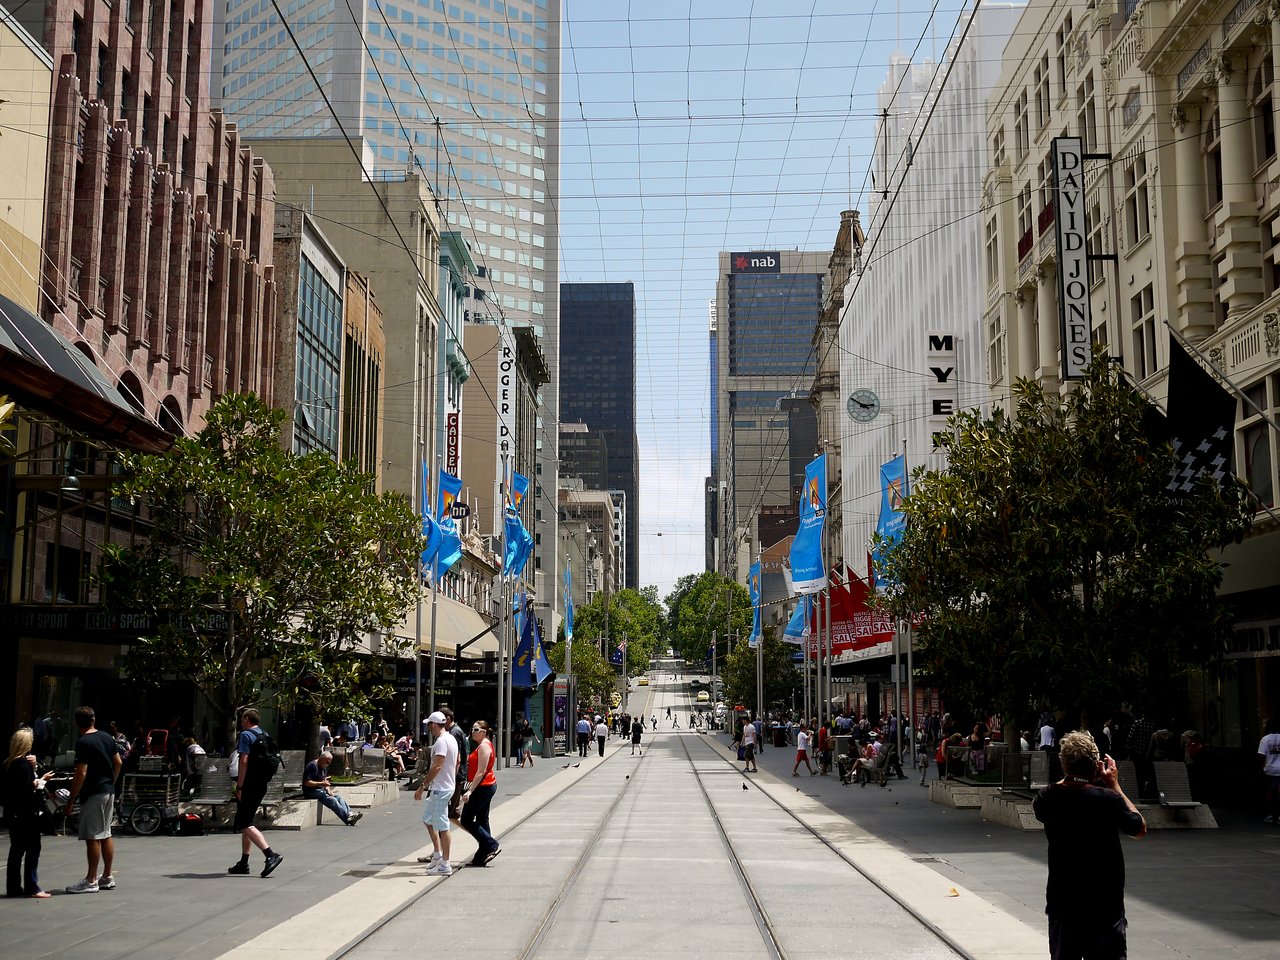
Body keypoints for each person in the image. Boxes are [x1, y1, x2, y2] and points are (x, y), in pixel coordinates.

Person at [1033, 730, 1145, 960]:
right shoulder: (1108, 799)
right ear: (1096, 765)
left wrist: (1071, 774)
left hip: (1063, 903)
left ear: (1063, 763)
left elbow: (1059, 788)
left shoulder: (1047, 798)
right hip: (1105, 906)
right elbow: (1139, 829)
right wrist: (1113, 784)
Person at [63, 706, 122, 893]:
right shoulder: (107, 737)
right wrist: (111, 781)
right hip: (108, 790)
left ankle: (91, 879)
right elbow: (118, 762)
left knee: (92, 836)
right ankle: (107, 876)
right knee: (106, 833)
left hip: (93, 792)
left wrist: (72, 798)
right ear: (93, 720)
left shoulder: (83, 742)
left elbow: (81, 772)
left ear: (76, 723)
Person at [227, 708, 284, 879]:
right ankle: (244, 863)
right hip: (261, 784)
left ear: (246, 719)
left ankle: (270, 855)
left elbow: (243, 761)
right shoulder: (264, 733)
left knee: (244, 823)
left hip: (250, 784)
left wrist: (240, 786)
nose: (241, 722)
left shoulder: (246, 735)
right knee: (248, 820)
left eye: (242, 719)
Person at [6, 728, 55, 898]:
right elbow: (27, 788)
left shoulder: (9, 763)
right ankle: (32, 886)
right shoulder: (24, 765)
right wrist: (40, 781)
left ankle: (13, 886)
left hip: (13, 813)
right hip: (27, 814)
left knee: (16, 851)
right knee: (33, 849)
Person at [413, 711, 458, 876]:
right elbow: (455, 761)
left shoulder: (441, 742)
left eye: (429, 725)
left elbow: (438, 765)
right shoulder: (450, 738)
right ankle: (438, 855)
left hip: (440, 788)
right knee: (428, 819)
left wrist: (422, 786)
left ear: (433, 724)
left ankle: (445, 863)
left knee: (442, 826)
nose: (428, 728)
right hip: (442, 787)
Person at [459, 721, 500, 866]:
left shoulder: (483, 746)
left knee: (466, 819)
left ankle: (490, 844)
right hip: (486, 786)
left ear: (484, 731)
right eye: (472, 729)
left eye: (476, 729)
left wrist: (470, 790)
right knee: (482, 819)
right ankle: (482, 855)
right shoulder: (483, 745)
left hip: (483, 787)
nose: (472, 732)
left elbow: (481, 771)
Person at [302, 751, 362, 826]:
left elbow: (324, 781)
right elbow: (307, 783)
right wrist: (322, 784)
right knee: (332, 800)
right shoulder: (312, 766)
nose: (328, 764)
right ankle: (347, 819)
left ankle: (350, 814)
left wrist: (328, 789)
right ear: (322, 758)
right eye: (327, 762)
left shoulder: (323, 767)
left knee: (338, 797)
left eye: (329, 763)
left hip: (320, 790)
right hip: (311, 791)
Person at [1259, 718, 1280, 824]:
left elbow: (1261, 756)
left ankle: (1272, 815)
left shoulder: (1265, 739)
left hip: (1270, 770)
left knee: (1272, 794)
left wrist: (1260, 769)